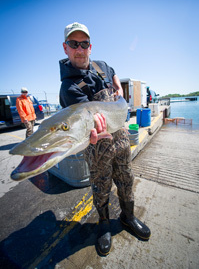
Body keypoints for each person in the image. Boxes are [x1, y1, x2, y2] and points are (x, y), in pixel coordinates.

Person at [59, 22, 151, 255]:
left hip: (120, 138)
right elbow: (81, 123)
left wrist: (118, 86)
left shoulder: (101, 66)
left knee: (127, 179)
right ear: (65, 48)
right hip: (97, 145)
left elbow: (113, 72)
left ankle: (128, 218)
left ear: (90, 46)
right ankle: (104, 225)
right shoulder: (69, 87)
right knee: (101, 187)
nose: (79, 49)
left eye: (84, 43)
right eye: (73, 44)